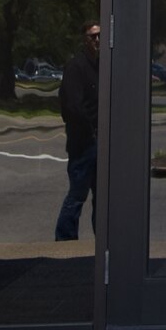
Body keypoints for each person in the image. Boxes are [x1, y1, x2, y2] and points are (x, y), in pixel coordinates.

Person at [54, 21, 100, 242]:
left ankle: (103, 240)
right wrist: (90, 131)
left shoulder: (103, 67)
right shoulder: (76, 67)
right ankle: (64, 240)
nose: (98, 40)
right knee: (77, 195)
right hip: (84, 144)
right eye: (93, 36)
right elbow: (72, 106)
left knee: (102, 196)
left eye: (100, 35)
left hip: (101, 141)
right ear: (85, 39)